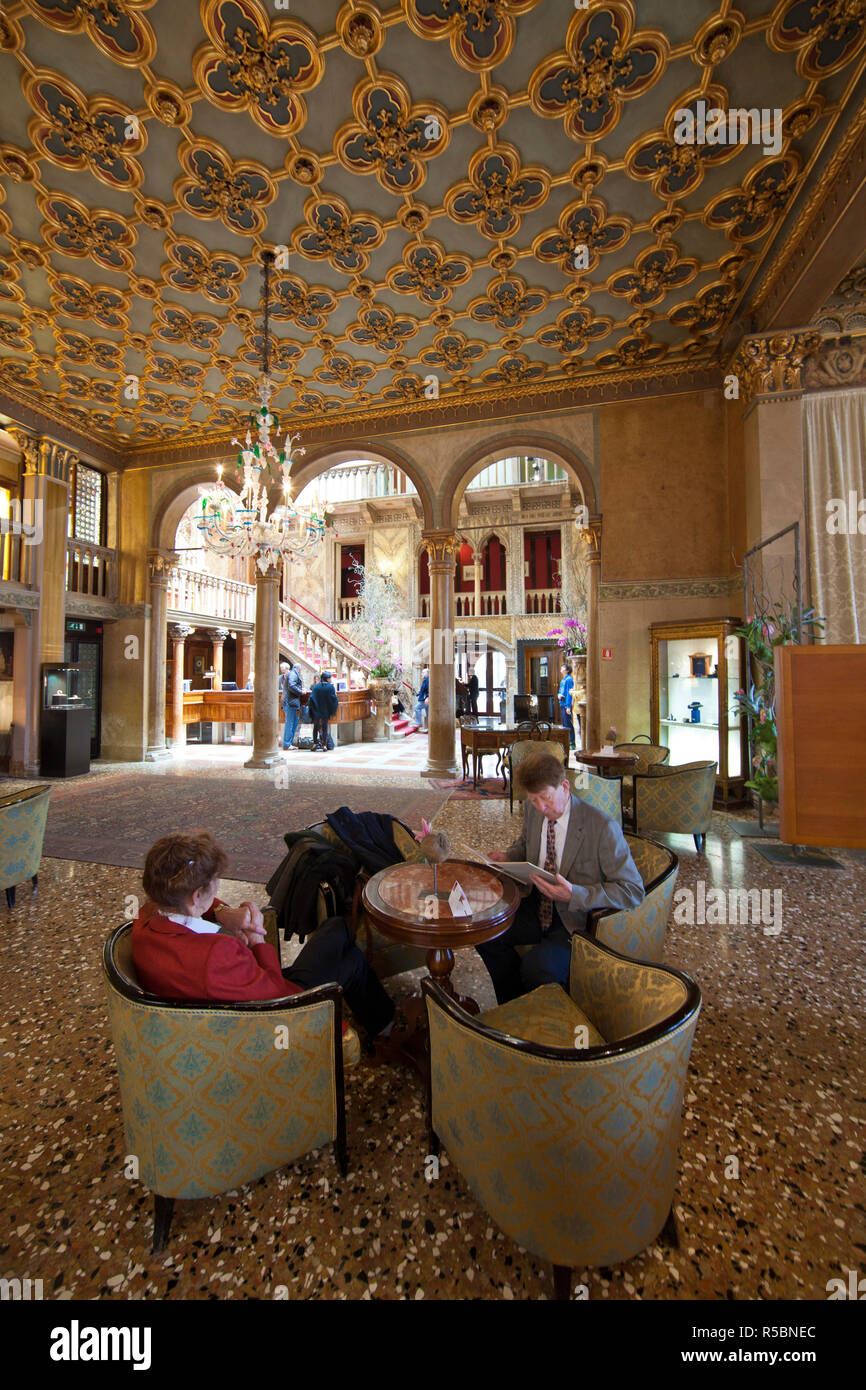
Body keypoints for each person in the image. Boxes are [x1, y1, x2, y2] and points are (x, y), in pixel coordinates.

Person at [131, 831, 395, 1043]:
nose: (217, 889)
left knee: (344, 944)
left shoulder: (148, 915)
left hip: (229, 1002)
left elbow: (192, 904)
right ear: (196, 896)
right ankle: (382, 1027)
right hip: (275, 1012)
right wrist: (258, 941)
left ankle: (382, 1023)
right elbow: (278, 995)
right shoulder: (216, 954)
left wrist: (223, 912)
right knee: (344, 943)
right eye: (214, 885)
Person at [477, 751, 644, 1004]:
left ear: (564, 787)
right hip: (535, 904)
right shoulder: (534, 812)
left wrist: (575, 894)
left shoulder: (601, 828)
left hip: (574, 919)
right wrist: (507, 856)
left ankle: (549, 1012)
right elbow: (525, 845)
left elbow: (632, 890)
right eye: (533, 801)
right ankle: (514, 1006)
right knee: (483, 932)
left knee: (537, 967)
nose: (541, 808)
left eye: (545, 798)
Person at [308, 670, 338, 751]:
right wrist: (332, 709)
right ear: (327, 679)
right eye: (330, 678)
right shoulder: (330, 687)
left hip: (316, 710)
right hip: (325, 710)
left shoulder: (316, 686)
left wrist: (312, 709)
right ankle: (324, 745)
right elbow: (333, 699)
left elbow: (311, 698)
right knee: (324, 727)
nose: (331, 679)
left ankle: (315, 744)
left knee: (316, 727)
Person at [280, 659, 303, 750]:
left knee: (293, 722)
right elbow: (292, 685)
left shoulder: (292, 673)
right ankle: (286, 744)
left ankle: (289, 743)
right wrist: (301, 691)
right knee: (290, 723)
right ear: (299, 669)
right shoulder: (293, 674)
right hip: (289, 702)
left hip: (290, 702)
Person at [557, 662, 574, 749]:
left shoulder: (569, 679)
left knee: (568, 724)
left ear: (567, 670)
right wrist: (558, 695)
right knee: (564, 723)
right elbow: (560, 691)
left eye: (563, 667)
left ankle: (572, 742)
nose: (561, 668)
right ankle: (566, 741)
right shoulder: (563, 679)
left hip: (566, 704)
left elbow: (569, 693)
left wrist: (568, 706)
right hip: (562, 703)